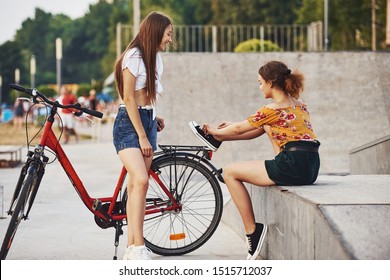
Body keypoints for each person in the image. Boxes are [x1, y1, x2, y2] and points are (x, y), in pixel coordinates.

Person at [189, 60, 320, 260]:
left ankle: (253, 231)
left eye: (260, 82)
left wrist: (216, 130)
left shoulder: (272, 109)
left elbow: (242, 128)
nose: (259, 87)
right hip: (310, 166)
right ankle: (216, 140)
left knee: (229, 173)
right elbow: (252, 128)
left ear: (270, 82)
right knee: (265, 126)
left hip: (291, 165)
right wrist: (224, 132)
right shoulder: (299, 105)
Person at [112, 11, 173, 260]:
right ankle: (137, 247)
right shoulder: (134, 56)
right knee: (141, 179)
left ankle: (133, 247)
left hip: (145, 121)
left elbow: (146, 97)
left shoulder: (156, 58)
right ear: (156, 32)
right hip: (128, 125)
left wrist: (153, 116)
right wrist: (142, 135)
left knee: (138, 185)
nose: (170, 39)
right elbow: (128, 98)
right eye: (168, 34)